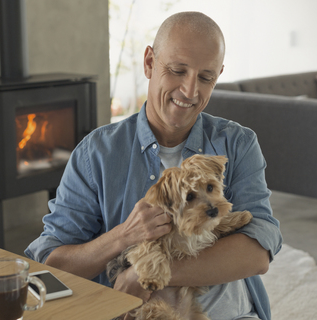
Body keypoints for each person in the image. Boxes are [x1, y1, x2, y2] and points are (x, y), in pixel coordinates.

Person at [26, 11, 282, 320]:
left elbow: (258, 252)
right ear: (149, 62)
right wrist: (123, 236)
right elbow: (52, 265)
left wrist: (147, 274)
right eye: (177, 70)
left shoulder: (238, 143)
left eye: (205, 77)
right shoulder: (96, 154)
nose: (190, 91)